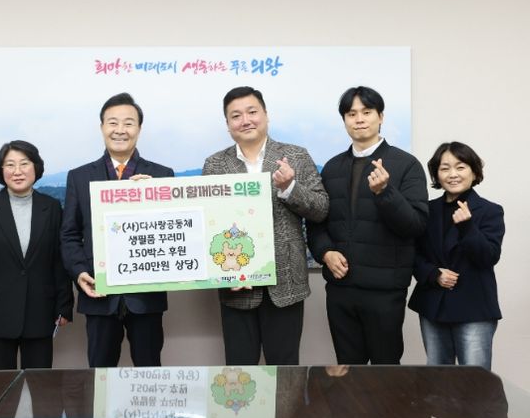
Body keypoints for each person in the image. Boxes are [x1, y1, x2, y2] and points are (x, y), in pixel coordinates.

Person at [202, 86, 329, 365]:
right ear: (228, 124)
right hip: (236, 285)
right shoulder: (215, 165)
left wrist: (290, 187)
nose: (245, 120)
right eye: (236, 115)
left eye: (252, 112)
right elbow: (207, 225)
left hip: (286, 283)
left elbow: (321, 209)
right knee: (238, 374)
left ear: (266, 115)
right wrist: (224, 274)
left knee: (284, 372)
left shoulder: (295, 156)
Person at [306, 86, 429, 365]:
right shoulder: (332, 168)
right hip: (340, 288)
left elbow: (416, 225)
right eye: (351, 114)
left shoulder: (406, 165)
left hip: (385, 290)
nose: (359, 119)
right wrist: (325, 252)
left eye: (367, 112)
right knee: (347, 370)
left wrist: (386, 192)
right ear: (344, 120)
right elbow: (316, 222)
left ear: (380, 117)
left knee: (386, 372)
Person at [61, 92, 174, 367]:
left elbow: (175, 229)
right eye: (113, 122)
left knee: (149, 372)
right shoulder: (79, 176)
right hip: (98, 292)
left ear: (139, 129)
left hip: (146, 296)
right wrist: (80, 272)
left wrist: (153, 197)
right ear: (102, 127)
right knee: (100, 373)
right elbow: (69, 234)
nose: (120, 130)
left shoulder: (162, 175)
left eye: (128, 123)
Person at [0, 140, 74, 369]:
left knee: (39, 385)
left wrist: (64, 305)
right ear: (1, 171)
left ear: (35, 167)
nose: (17, 171)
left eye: (24, 163)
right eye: (10, 165)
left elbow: (58, 260)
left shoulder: (51, 207)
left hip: (39, 308)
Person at [408, 142, 504, 370]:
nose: (452, 174)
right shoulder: (427, 210)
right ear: (437, 175)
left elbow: (488, 257)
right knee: (437, 378)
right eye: (445, 168)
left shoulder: (490, 210)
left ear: (474, 172)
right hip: (433, 306)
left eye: (460, 167)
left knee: (474, 380)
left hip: (474, 308)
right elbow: (411, 253)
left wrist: (467, 227)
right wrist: (433, 274)